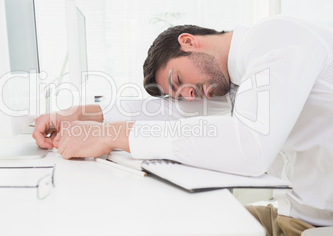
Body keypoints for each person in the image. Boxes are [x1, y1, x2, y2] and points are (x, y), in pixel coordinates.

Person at [33, 15, 333, 235]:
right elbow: (167, 111)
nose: (187, 96)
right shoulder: (236, 77)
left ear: (188, 42)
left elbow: (250, 146)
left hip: (316, 225)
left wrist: (113, 134)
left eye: (178, 81)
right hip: (294, 215)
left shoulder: (275, 39)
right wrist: (78, 116)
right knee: (166, 221)